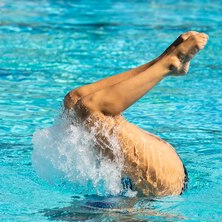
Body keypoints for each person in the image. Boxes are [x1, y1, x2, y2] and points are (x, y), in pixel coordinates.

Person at [62, 31, 209, 196]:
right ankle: (164, 63)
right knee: (88, 110)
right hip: (162, 177)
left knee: (75, 101)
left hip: (163, 179)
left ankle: (168, 64)